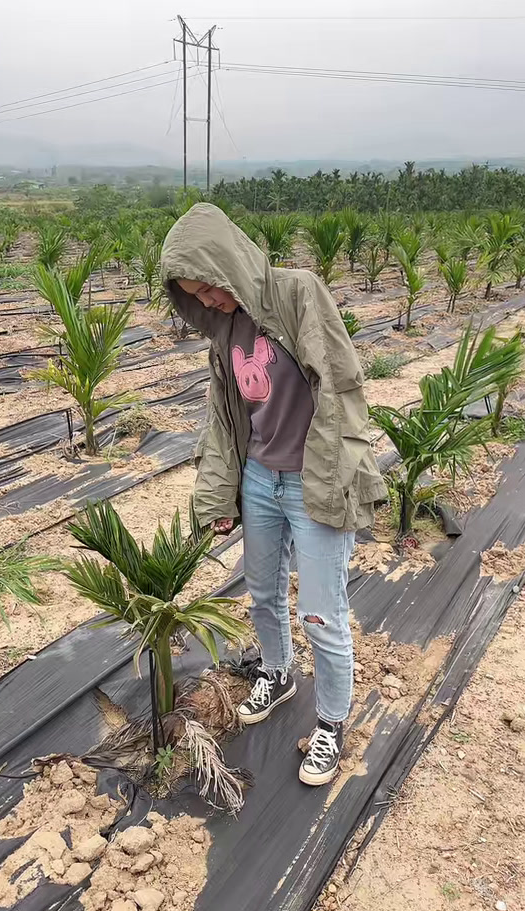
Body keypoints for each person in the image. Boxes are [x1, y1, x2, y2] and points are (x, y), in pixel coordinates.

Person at [160, 204, 386, 786]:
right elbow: (224, 422)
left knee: (321, 612)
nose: (208, 300)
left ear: (228, 262)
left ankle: (332, 723)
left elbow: (339, 387)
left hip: (313, 478)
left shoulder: (297, 294)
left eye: (209, 285)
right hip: (260, 479)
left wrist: (338, 480)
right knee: (261, 593)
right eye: (195, 295)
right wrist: (216, 497)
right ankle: (278, 673)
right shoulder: (223, 334)